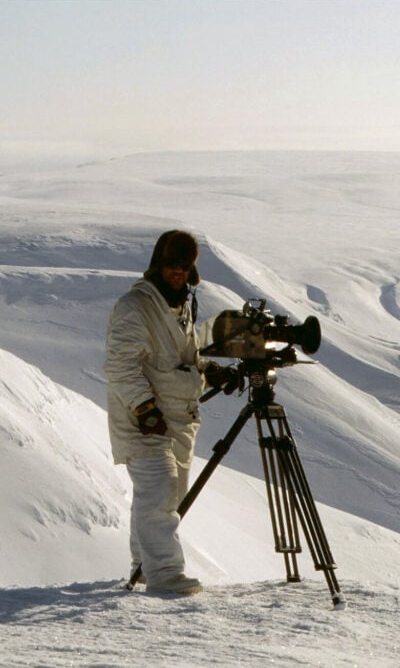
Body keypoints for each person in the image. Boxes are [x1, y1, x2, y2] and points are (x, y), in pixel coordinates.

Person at [104, 230, 238, 595]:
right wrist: (144, 410)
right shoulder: (137, 307)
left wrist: (211, 372)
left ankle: (142, 568)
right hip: (143, 421)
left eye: (183, 265)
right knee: (160, 492)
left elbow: (184, 360)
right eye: (170, 264)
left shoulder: (180, 307)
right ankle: (166, 576)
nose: (176, 271)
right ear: (157, 264)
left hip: (178, 419)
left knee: (164, 496)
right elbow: (120, 366)